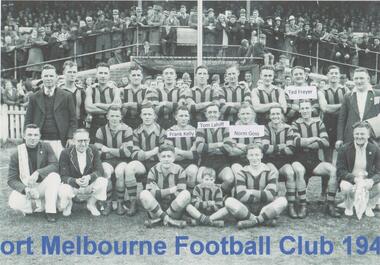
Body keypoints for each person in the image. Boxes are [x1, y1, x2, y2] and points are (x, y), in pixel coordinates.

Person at [291, 100, 341, 218]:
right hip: (298, 159)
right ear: (299, 110)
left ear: (311, 109)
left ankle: (330, 204)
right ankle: (303, 205)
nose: (305, 111)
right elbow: (296, 142)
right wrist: (314, 138)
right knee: (299, 171)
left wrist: (306, 142)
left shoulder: (319, 123)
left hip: (314, 159)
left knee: (333, 170)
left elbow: (326, 142)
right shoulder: (295, 124)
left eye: (307, 108)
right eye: (302, 108)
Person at [225, 144, 287, 229]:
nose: (254, 158)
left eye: (257, 155)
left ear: (261, 155)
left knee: (283, 201)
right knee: (229, 201)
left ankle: (254, 221)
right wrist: (263, 194)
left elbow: (271, 196)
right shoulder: (241, 173)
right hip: (246, 208)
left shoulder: (270, 172)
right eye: (251, 155)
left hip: (264, 208)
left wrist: (251, 192)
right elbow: (241, 196)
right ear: (247, 156)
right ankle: (263, 220)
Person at [8, 124, 61, 222]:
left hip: (42, 186)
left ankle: (50, 211)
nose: (33, 138)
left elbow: (55, 165)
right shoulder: (16, 153)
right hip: (27, 187)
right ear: (24, 136)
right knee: (14, 203)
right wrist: (25, 189)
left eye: (36, 135)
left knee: (54, 176)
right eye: (30, 135)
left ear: (40, 136)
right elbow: (11, 179)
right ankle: (35, 205)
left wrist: (38, 172)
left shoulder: (46, 146)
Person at [124, 102, 166, 211]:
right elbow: (135, 154)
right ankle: (133, 202)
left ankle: (161, 200)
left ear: (154, 116)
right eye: (145, 114)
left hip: (157, 164)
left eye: (150, 114)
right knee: (130, 167)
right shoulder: (136, 132)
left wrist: (144, 153)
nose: (147, 117)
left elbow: (164, 152)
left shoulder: (162, 131)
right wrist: (153, 152)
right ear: (141, 116)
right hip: (142, 164)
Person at [24, 64, 77, 148]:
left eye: (51, 76)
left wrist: (70, 137)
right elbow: (28, 119)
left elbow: (73, 119)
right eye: (46, 76)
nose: (49, 78)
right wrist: (27, 139)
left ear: (56, 77)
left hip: (60, 141)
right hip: (39, 141)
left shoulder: (67, 96)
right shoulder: (34, 97)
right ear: (42, 78)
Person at [58, 129, 108, 217]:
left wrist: (89, 177)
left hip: (88, 185)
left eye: (85, 140)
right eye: (80, 141)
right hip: (73, 186)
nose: (83, 144)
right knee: (63, 189)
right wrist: (75, 181)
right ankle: (69, 204)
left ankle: (91, 204)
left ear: (89, 140)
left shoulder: (93, 149)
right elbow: (63, 176)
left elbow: (100, 170)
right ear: (73, 141)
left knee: (103, 181)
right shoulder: (65, 153)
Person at [94, 106, 134, 216]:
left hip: (122, 161)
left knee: (119, 172)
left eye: (117, 116)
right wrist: (118, 150)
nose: (114, 118)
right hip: (108, 161)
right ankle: (109, 203)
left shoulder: (127, 129)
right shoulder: (100, 130)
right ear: (107, 116)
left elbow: (127, 153)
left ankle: (120, 203)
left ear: (121, 117)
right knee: (106, 172)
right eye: (112, 116)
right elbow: (98, 152)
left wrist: (107, 149)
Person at [139, 144, 190, 228]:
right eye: (163, 156)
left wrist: (159, 192)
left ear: (173, 158)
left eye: (169, 156)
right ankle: (169, 220)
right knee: (143, 194)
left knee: (186, 194)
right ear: (159, 158)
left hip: (173, 210)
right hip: (156, 209)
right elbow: (150, 192)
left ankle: (160, 220)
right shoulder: (153, 170)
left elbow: (180, 192)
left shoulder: (180, 170)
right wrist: (170, 190)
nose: (166, 159)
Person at [337, 122, 380, 217]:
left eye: (362, 134)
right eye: (357, 134)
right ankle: (348, 205)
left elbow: (379, 171)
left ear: (368, 135)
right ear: (353, 134)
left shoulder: (375, 149)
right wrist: (354, 179)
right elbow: (340, 170)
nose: (359, 136)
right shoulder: (344, 148)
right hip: (351, 180)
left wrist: (371, 180)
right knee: (345, 186)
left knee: (379, 185)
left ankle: (369, 206)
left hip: (367, 181)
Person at [262, 106, 297, 217]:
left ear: (282, 115)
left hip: (284, 161)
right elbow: (266, 149)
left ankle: (291, 205)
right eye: (273, 114)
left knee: (290, 173)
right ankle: (275, 205)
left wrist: (274, 148)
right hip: (269, 160)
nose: (275, 116)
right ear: (269, 116)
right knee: (274, 173)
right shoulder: (265, 128)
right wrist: (282, 147)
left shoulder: (288, 128)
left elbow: (290, 150)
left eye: (278, 114)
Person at [195, 103, 234, 194]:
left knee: (229, 179)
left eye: (215, 112)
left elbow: (228, 147)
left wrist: (208, 147)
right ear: (206, 114)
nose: (212, 114)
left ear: (219, 114)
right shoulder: (201, 127)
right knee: (199, 179)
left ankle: (219, 194)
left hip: (222, 160)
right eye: (210, 112)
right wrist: (219, 144)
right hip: (206, 160)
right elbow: (200, 148)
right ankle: (207, 195)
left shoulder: (225, 127)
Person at [337, 68, 380, 146]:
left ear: (368, 79)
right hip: (351, 137)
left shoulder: (377, 94)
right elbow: (342, 119)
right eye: (356, 78)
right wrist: (339, 138)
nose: (359, 81)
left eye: (361, 78)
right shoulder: (348, 96)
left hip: (373, 139)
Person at [85, 62, 121, 141]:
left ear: (109, 75)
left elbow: (117, 107)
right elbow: (88, 108)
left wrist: (97, 104)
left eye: (105, 73)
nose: (103, 76)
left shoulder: (114, 89)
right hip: (95, 124)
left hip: (111, 124)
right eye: (100, 73)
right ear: (96, 75)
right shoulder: (90, 89)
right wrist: (110, 110)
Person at [165, 106, 199, 190]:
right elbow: (171, 154)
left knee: (192, 172)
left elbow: (194, 155)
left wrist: (179, 151)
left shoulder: (194, 131)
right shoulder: (170, 131)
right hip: (174, 163)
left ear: (189, 118)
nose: (184, 118)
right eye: (181, 116)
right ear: (176, 117)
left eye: (186, 116)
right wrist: (188, 154)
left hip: (190, 163)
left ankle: (191, 194)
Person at [59, 61, 86, 128]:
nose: (72, 74)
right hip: (62, 125)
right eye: (69, 72)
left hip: (78, 125)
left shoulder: (81, 91)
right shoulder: (58, 91)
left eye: (74, 72)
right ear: (64, 73)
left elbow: (84, 110)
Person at [120, 63, 148, 129]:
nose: (136, 77)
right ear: (129, 77)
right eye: (133, 75)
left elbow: (146, 107)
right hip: (125, 123)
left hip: (143, 123)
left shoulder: (147, 90)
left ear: (142, 76)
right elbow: (121, 109)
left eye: (138, 75)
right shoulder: (122, 91)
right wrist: (139, 105)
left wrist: (127, 105)